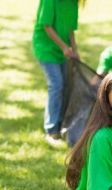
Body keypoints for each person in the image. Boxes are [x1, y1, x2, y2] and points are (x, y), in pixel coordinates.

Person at [32, 0, 85, 146]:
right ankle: (51, 130)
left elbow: (70, 30)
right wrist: (63, 47)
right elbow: (47, 26)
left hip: (62, 51)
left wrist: (74, 49)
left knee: (67, 84)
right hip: (46, 48)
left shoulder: (74, 3)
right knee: (57, 84)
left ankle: (63, 124)